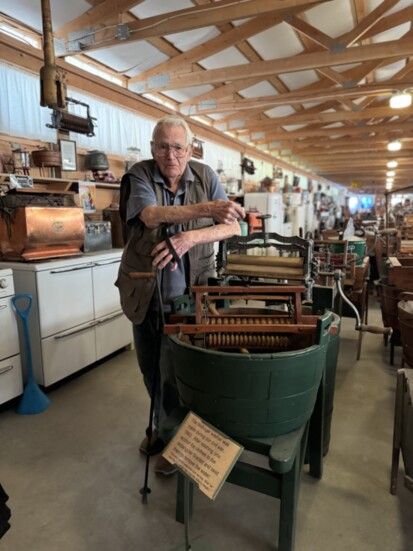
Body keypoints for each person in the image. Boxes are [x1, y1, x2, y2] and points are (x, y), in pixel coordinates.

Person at [116, 115, 245, 476]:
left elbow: (232, 225)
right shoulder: (139, 174)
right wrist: (207, 209)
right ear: (152, 148)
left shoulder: (206, 176)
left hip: (192, 293)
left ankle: (182, 438)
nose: (170, 155)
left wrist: (190, 237)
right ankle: (165, 426)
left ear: (190, 149)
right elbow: (151, 214)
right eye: (162, 146)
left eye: (177, 147)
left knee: (183, 370)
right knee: (151, 368)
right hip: (147, 289)